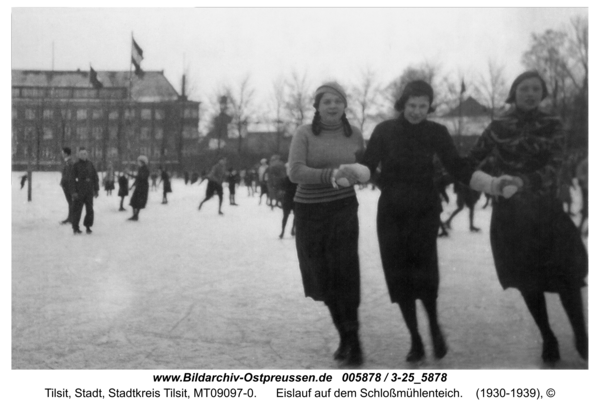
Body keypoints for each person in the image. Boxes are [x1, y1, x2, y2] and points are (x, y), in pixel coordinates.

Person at [361, 80, 513, 362]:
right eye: (412, 105)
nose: (418, 111)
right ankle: (415, 339)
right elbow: (368, 166)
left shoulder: (436, 132)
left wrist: (492, 184)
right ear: (402, 104)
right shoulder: (384, 131)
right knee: (399, 276)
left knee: (425, 274)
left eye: (423, 106)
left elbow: (457, 167)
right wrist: (373, 179)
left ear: (429, 106)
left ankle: (433, 325)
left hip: (423, 209)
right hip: (392, 213)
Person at [468, 71, 588, 363]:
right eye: (525, 88)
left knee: (567, 277)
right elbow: (471, 160)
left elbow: (555, 166)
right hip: (511, 217)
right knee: (528, 281)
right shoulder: (498, 125)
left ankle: (582, 335)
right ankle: (548, 337)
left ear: (543, 93)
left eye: (536, 88)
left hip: (546, 213)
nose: (531, 93)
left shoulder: (553, 124)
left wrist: (523, 181)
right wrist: (485, 182)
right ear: (514, 92)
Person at [288, 82, 370, 367]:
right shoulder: (305, 133)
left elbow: (365, 168)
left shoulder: (355, 135)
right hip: (310, 211)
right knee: (322, 276)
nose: (332, 106)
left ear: (345, 105)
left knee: (346, 274)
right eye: (326, 102)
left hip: (343, 209)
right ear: (317, 107)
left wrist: (362, 173)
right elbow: (295, 171)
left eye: (337, 100)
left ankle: (354, 339)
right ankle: (344, 334)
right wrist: (332, 176)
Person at [70, 147, 99, 234]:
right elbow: (72, 179)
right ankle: (75, 227)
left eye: (85, 154)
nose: (84, 155)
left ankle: (88, 226)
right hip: (80, 190)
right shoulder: (76, 165)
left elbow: (95, 177)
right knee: (77, 210)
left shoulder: (90, 164)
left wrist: (96, 189)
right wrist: (74, 192)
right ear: (79, 155)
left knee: (90, 209)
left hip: (89, 190)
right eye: (82, 154)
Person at [128, 156, 150, 221]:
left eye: (139, 161)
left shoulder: (145, 169)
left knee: (138, 202)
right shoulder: (141, 169)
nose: (138, 163)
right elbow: (138, 178)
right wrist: (132, 186)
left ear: (142, 162)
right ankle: (135, 215)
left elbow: (141, 178)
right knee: (134, 201)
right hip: (139, 187)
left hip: (142, 187)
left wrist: (131, 175)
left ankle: (136, 216)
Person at [59, 147, 74, 224]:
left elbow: (68, 175)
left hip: (68, 184)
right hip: (66, 184)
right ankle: (70, 218)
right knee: (70, 201)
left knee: (70, 201)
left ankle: (71, 218)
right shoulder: (67, 162)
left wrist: (64, 182)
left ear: (66, 153)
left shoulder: (69, 162)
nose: (62, 154)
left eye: (63, 153)